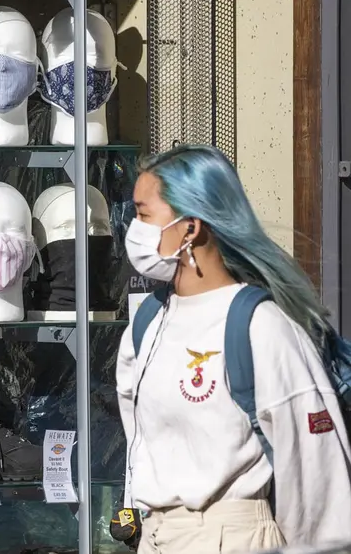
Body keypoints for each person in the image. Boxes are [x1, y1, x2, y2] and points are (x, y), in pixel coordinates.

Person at [116, 144, 351, 553]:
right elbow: (141, 449)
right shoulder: (146, 323)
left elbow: (316, 475)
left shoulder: (262, 325)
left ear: (190, 228)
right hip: (155, 538)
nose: (133, 230)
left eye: (142, 214)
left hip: (233, 537)